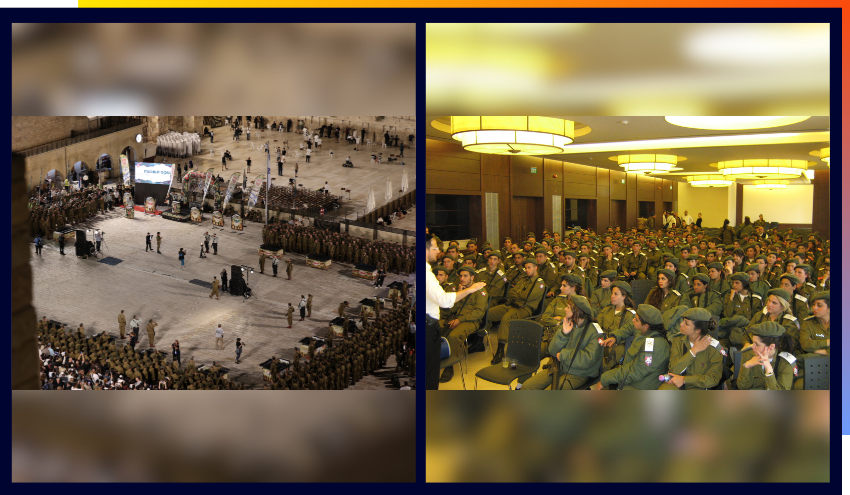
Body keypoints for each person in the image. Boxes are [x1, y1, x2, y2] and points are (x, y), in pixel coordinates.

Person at [426, 233, 487, 390]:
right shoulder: (460, 290)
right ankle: (438, 358)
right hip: (457, 318)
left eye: (465, 276)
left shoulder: (480, 291)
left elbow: (478, 313)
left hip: (471, 321)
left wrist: (460, 319)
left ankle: (450, 367)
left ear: (472, 277)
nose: (462, 278)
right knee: (441, 329)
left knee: (454, 336)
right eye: (460, 276)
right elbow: (450, 307)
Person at [522, 295, 602, 390]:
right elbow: (552, 350)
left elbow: (589, 359)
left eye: (568, 307)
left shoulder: (594, 331)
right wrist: (564, 334)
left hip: (579, 373)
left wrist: (564, 355)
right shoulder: (567, 323)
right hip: (559, 367)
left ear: (577, 311)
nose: (564, 309)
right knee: (527, 387)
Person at [595, 304, 670, 390]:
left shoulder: (653, 345)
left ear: (646, 326)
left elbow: (635, 371)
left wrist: (605, 378)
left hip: (639, 385)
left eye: (636, 320)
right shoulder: (646, 330)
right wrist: (615, 337)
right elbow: (629, 327)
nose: (633, 320)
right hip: (633, 378)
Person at [659, 307, 725, 390]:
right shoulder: (678, 341)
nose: (681, 324)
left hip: (698, 386)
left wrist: (684, 380)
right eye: (683, 320)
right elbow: (674, 369)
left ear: (697, 330)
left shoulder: (714, 348)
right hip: (676, 383)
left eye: (686, 323)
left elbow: (713, 378)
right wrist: (693, 351)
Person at [736, 321, 797, 390]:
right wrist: (746, 366)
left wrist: (769, 370)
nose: (753, 346)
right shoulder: (748, 355)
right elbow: (742, 387)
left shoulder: (785, 362)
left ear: (771, 347)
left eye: (757, 344)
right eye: (753, 342)